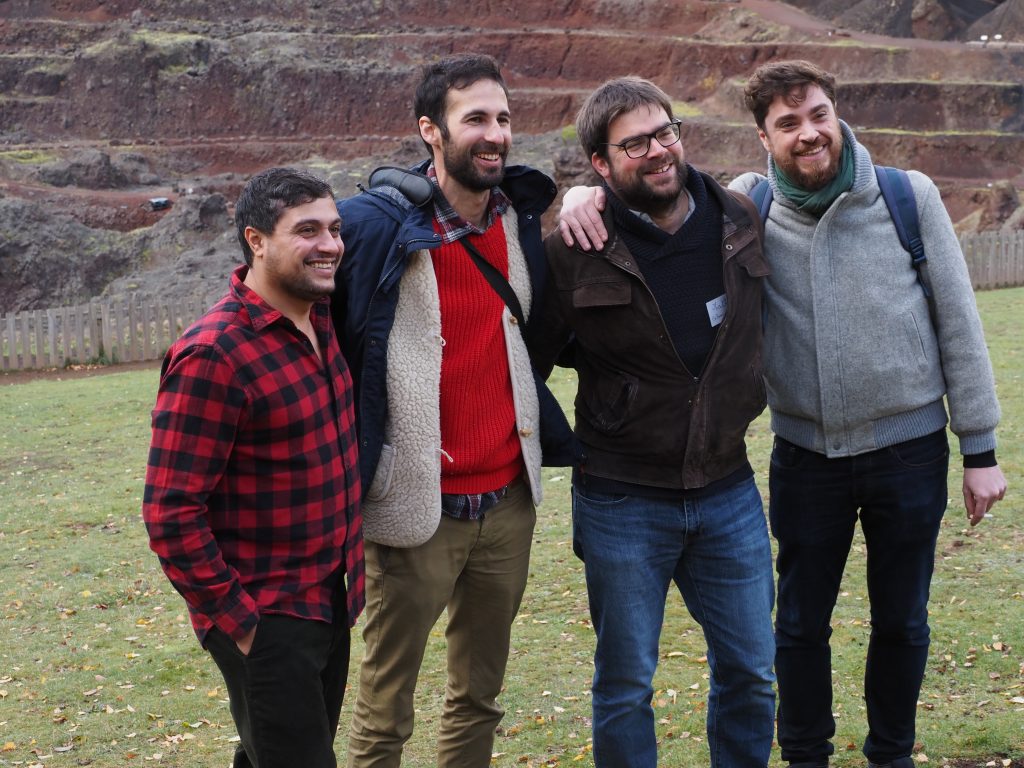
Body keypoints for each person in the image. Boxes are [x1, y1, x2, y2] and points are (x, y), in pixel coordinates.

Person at [559, 60, 1008, 768]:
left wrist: (979, 449)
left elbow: (960, 322)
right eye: (788, 123)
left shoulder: (906, 196)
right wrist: (581, 195)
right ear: (763, 139)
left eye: (819, 115)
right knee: (797, 626)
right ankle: (804, 757)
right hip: (805, 457)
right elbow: (657, 192)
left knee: (903, 620)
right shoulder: (749, 207)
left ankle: (891, 753)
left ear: (837, 114)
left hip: (910, 450)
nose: (809, 133)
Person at [331, 53, 573, 768]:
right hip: (415, 511)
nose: (495, 134)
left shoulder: (518, 221)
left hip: (509, 505)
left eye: (503, 118)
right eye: (475, 119)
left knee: (479, 698)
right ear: (430, 130)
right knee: (385, 713)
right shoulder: (377, 227)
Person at [531, 75, 776, 768]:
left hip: (728, 489)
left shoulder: (737, 217)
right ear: (601, 164)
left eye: (664, 132)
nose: (658, 150)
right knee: (625, 686)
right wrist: (567, 445)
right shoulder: (572, 249)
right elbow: (529, 363)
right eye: (633, 144)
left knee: (752, 674)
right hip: (622, 499)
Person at [142, 167, 364, 768]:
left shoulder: (318, 319)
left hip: (328, 597)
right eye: (307, 230)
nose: (330, 244)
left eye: (335, 229)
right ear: (257, 241)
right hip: (268, 614)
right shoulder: (214, 354)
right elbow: (169, 513)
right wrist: (241, 624)